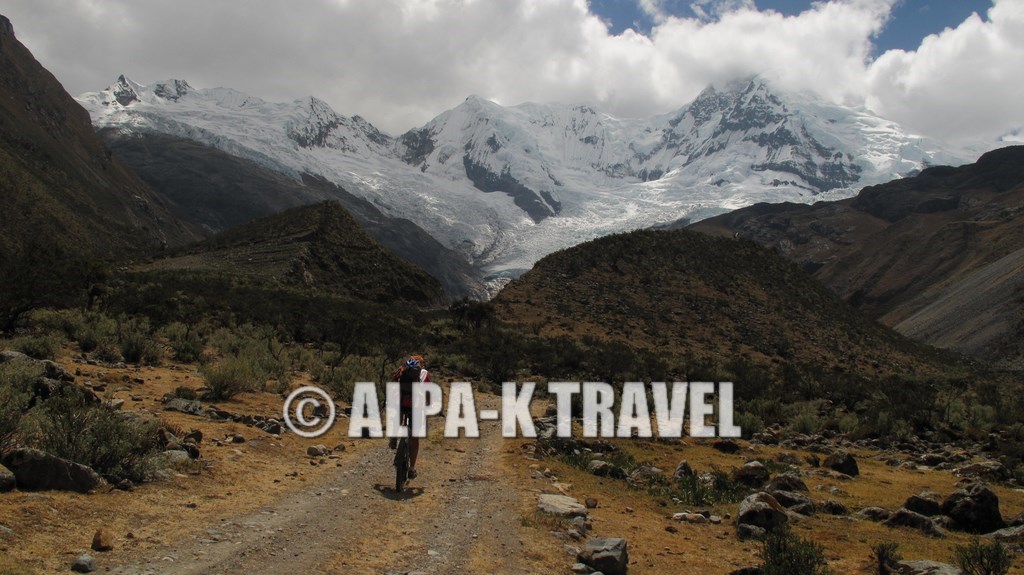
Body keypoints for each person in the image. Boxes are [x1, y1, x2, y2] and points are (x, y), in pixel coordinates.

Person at [389, 355, 430, 479]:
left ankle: (394, 436)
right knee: (414, 437)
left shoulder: (402, 369)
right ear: (421, 364)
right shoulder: (424, 373)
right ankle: (412, 468)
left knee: (399, 412)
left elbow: (392, 384)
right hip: (416, 407)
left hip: (400, 403)